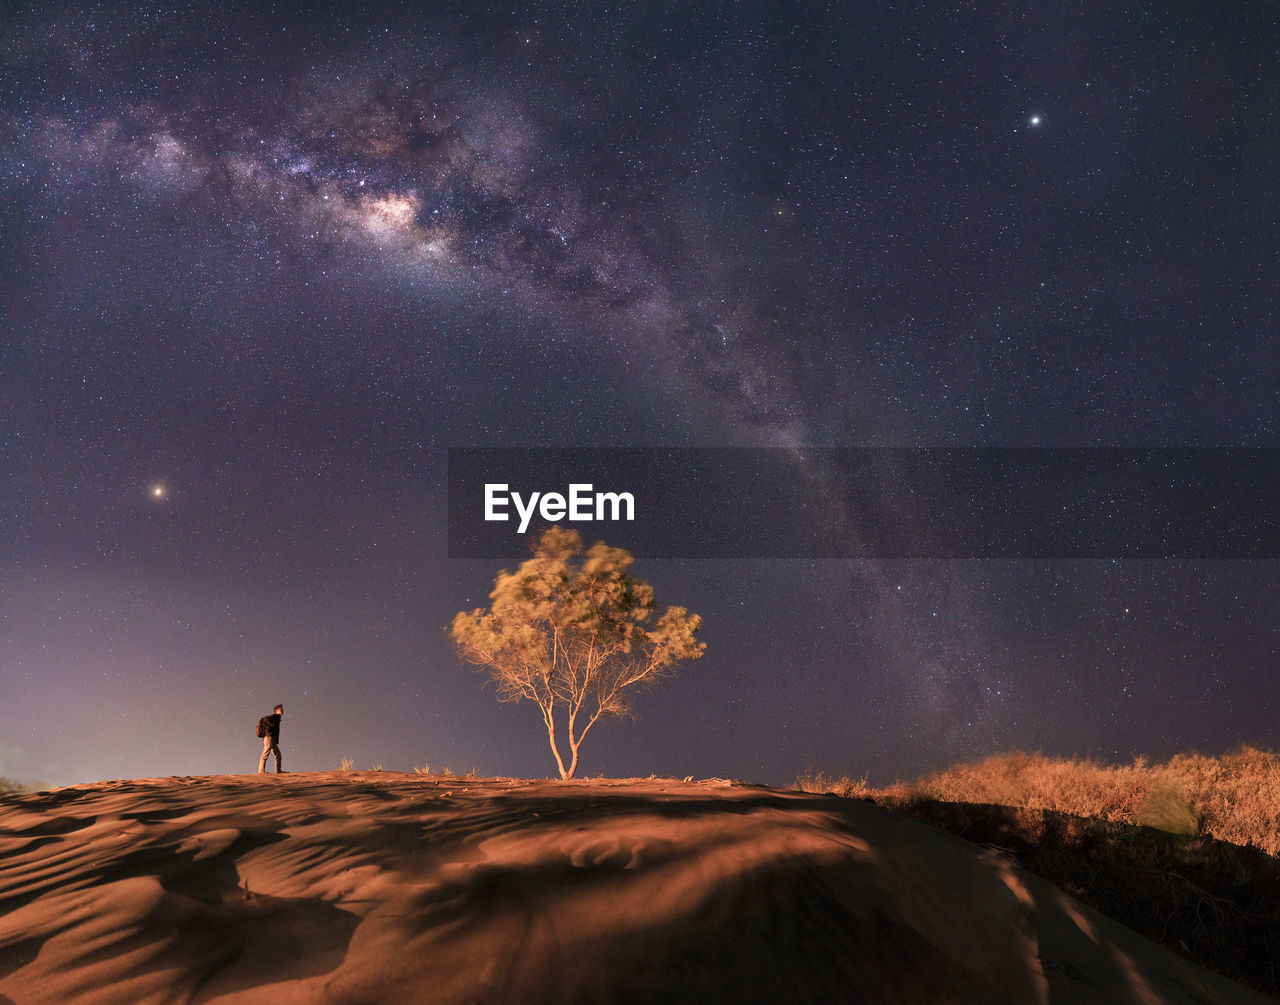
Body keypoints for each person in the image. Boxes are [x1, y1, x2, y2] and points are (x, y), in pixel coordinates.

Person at [257, 704, 285, 774]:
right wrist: (271, 727)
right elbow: (266, 719)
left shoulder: (277, 718)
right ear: (277, 710)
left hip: (272, 739)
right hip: (269, 738)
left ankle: (278, 771)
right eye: (281, 709)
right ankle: (261, 770)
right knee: (265, 753)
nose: (282, 711)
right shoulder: (275, 716)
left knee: (278, 755)